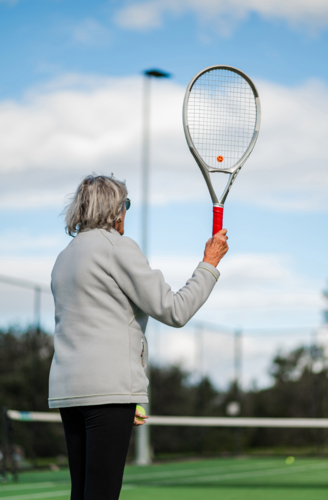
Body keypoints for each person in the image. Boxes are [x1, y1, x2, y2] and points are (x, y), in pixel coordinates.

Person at [48, 174, 229, 500]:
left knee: (83, 493)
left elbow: (84, 326)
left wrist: (124, 394)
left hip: (69, 393)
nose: (125, 213)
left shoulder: (65, 257)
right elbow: (175, 310)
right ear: (115, 209)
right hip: (108, 392)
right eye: (125, 205)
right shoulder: (119, 248)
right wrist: (209, 264)